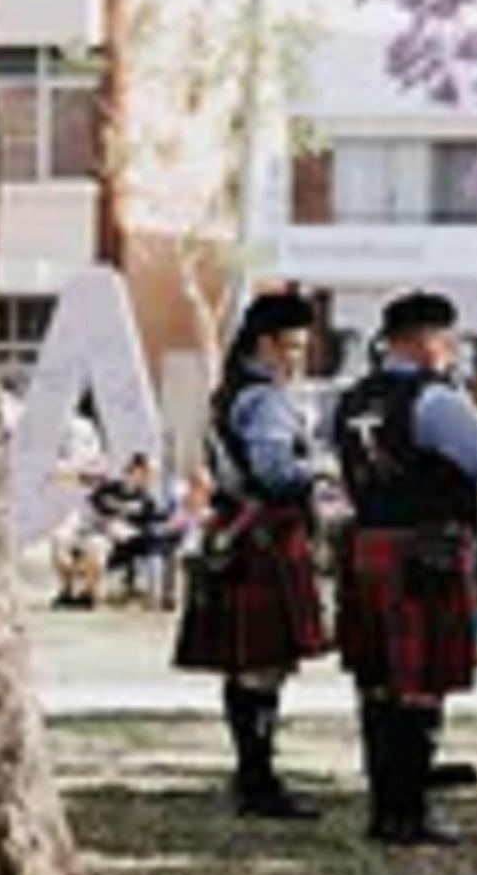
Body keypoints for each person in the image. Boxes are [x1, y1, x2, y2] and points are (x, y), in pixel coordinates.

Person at [332, 291, 477, 845]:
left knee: (378, 682)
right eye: (447, 341)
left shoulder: (353, 397)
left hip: (370, 545)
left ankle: (385, 807)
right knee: (421, 684)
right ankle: (412, 811)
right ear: (428, 340)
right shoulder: (437, 400)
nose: (451, 352)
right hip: (426, 550)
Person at [172, 293, 328, 820]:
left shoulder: (230, 391)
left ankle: (252, 773)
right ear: (265, 342)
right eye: (292, 346)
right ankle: (257, 780)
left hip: (240, 530)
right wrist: (322, 471)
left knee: (248, 667)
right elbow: (274, 471)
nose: (297, 358)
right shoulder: (268, 400)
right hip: (267, 534)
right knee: (262, 666)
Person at [90, 453, 174, 604]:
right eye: (149, 475)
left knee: (158, 542)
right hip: (104, 536)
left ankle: (154, 593)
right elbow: (96, 503)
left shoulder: (146, 499)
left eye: (153, 476)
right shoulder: (110, 488)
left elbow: (153, 518)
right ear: (137, 471)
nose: (151, 479)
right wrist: (117, 511)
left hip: (129, 543)